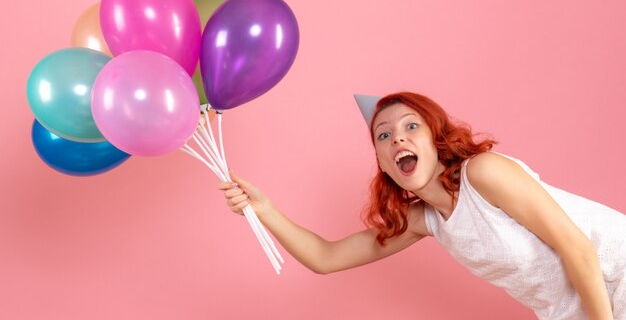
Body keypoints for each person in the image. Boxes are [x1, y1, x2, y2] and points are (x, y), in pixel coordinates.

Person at [218, 92, 626, 320]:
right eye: (383, 136)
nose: (397, 139)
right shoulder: (427, 221)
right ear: (381, 161)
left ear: (435, 138)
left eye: (411, 127)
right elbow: (327, 257)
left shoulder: (484, 173)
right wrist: (264, 209)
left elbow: (578, 249)